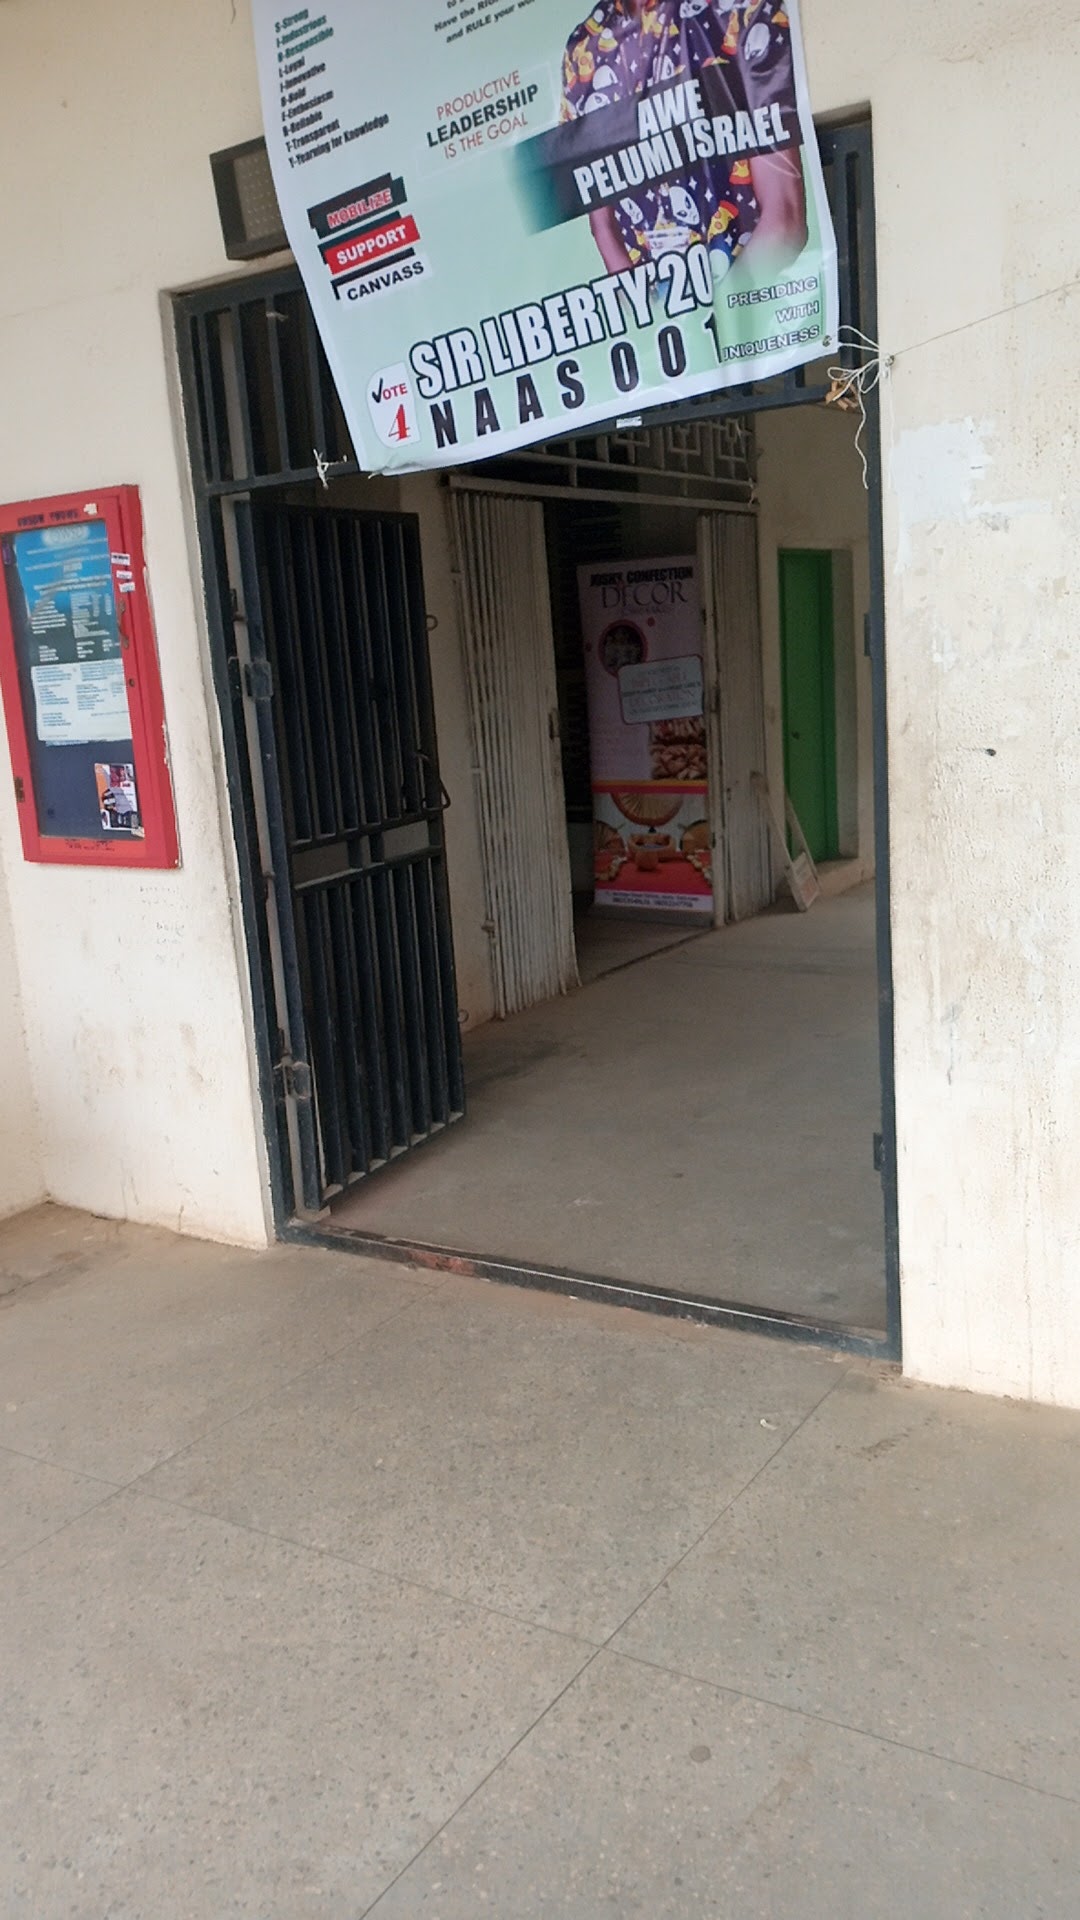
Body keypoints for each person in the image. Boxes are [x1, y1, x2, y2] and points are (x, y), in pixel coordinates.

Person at [561, 0, 807, 282]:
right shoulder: (583, 48)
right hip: (654, 300)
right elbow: (603, 227)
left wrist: (724, 307)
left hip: (750, 294)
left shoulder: (743, 9)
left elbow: (784, 222)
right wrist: (646, 304)